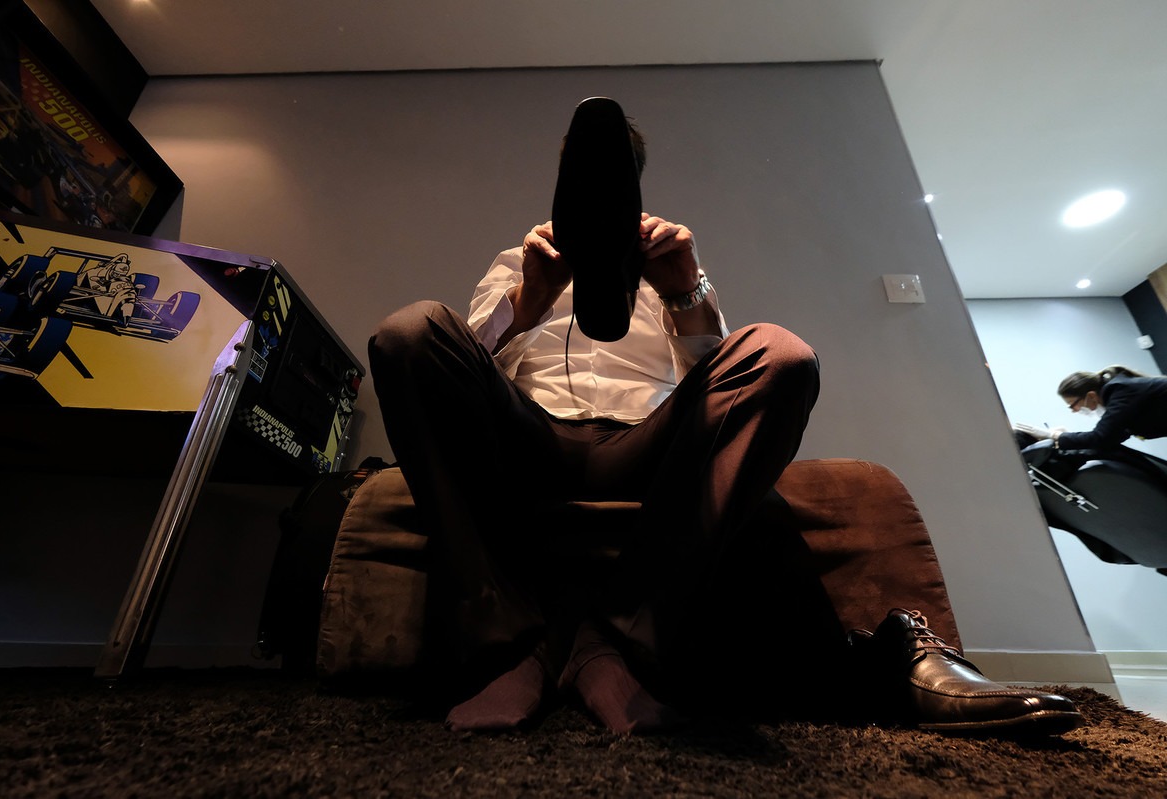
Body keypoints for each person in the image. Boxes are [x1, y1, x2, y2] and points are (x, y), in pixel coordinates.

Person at [368, 104, 1081, 736]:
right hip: (533, 434)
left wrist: (686, 290)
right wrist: (529, 298)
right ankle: (513, 647)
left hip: (644, 442)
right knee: (408, 332)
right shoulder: (519, 258)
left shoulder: (668, 259)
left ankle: (613, 644)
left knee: (782, 354)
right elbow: (465, 368)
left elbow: (718, 381)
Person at [1018, 366, 1167, 451]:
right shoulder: (1119, 392)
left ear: (1091, 395)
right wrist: (1066, 437)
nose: (1074, 410)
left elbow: (1100, 437)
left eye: (1073, 404)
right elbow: (1113, 437)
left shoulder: (1120, 391)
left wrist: (1054, 435)